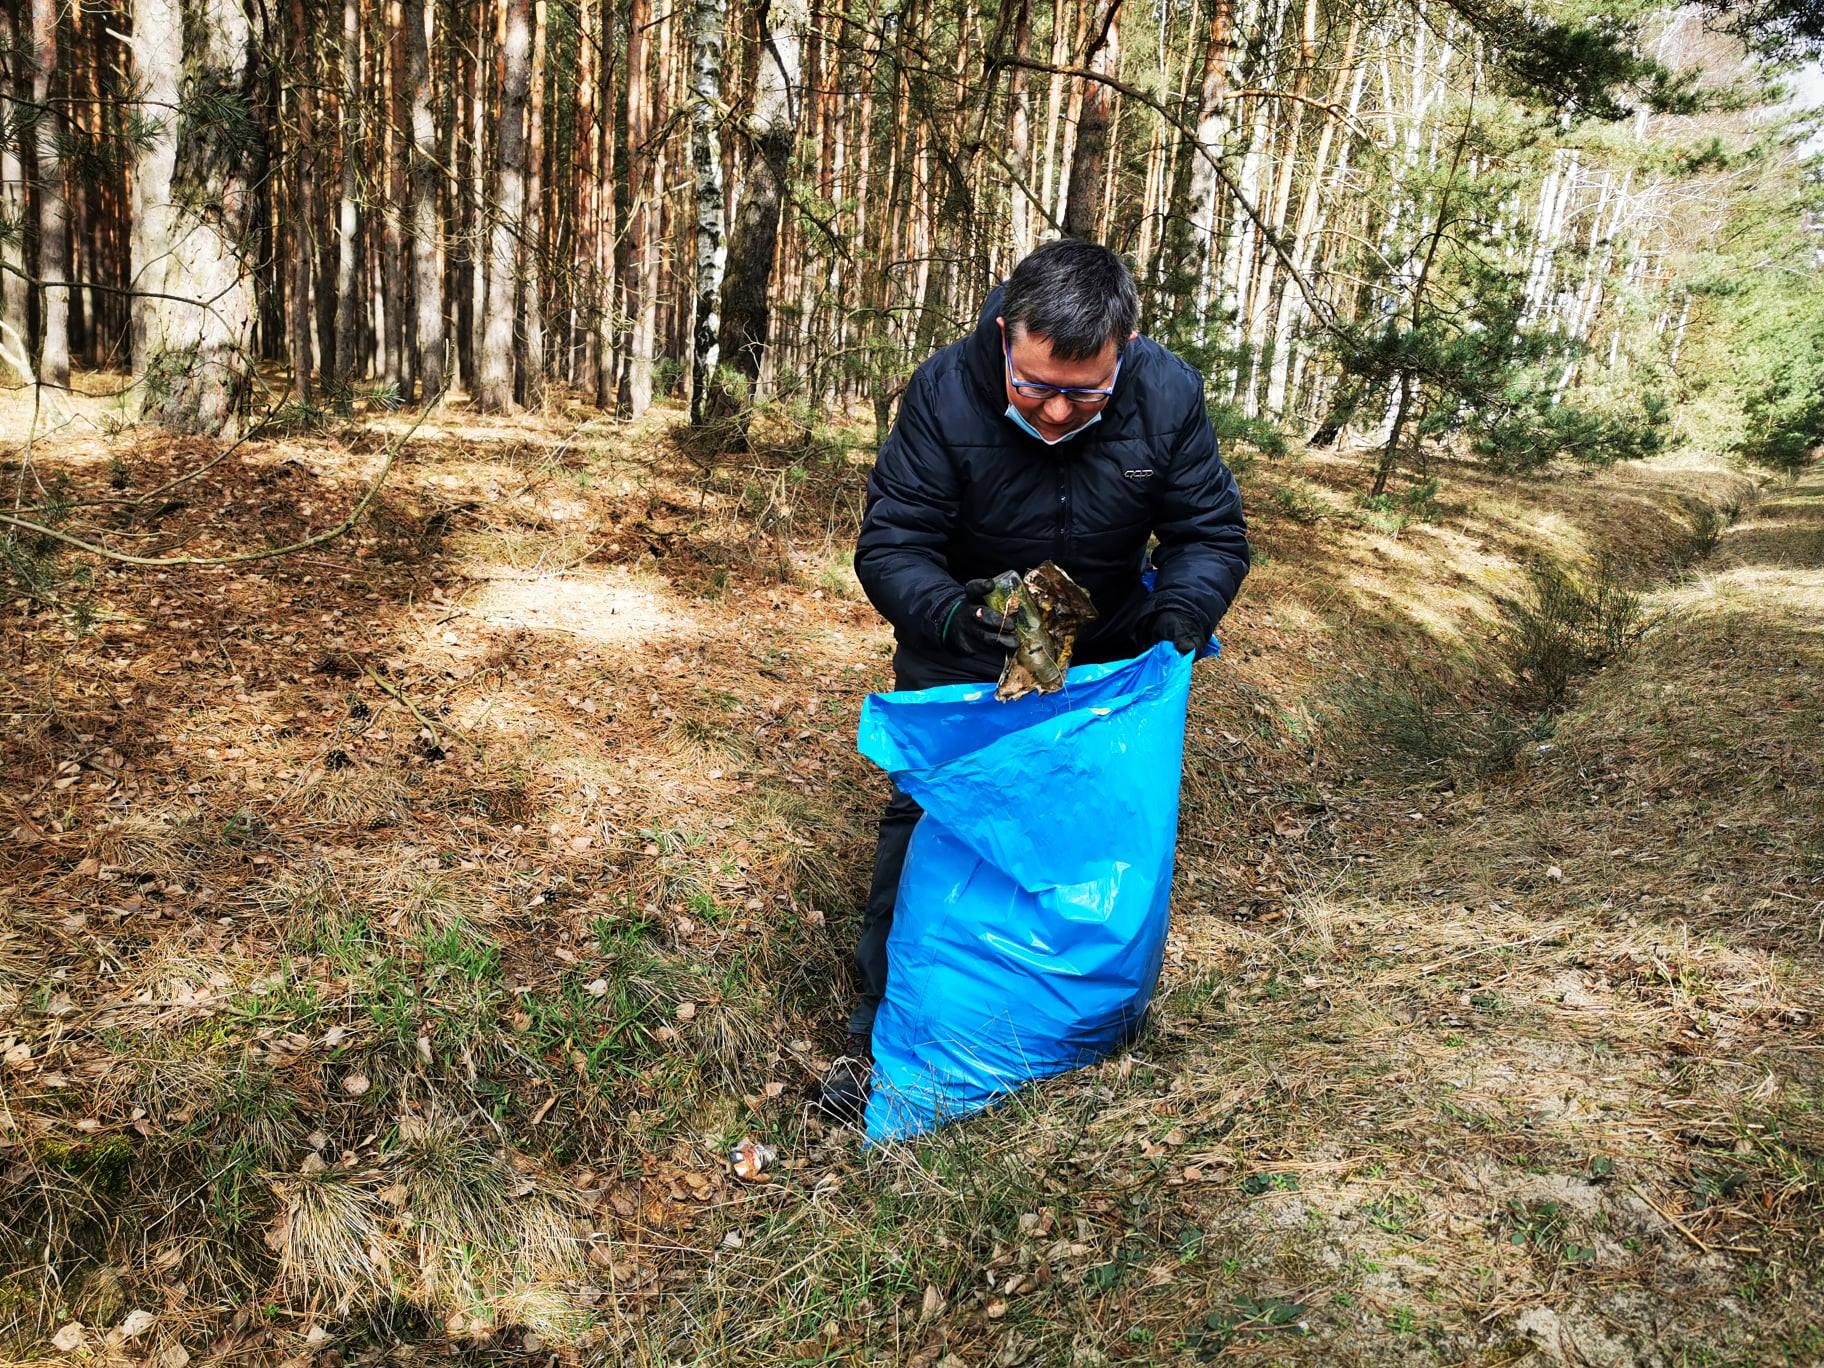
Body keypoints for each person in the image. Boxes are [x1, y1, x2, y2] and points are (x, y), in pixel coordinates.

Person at [821, 240, 1250, 1122]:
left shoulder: (1167, 397)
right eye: (1033, 385)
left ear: (1124, 347)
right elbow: (893, 543)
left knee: (1096, 838)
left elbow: (1209, 535)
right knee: (930, 833)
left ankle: (1081, 1030)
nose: (1055, 411)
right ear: (1007, 333)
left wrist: (1180, 617)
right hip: (963, 654)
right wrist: (951, 615)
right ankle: (888, 1046)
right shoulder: (946, 390)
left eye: (1084, 393)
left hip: (1102, 667)